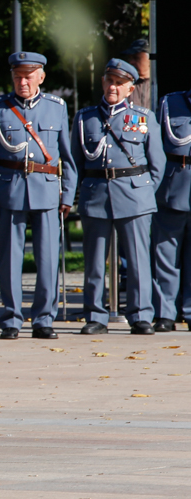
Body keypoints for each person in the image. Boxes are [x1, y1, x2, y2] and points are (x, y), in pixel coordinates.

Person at [0, 51, 77, 340]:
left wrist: (67, 194)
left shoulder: (56, 107)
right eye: (18, 76)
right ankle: (11, 317)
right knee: (9, 260)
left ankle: (44, 318)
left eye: (28, 76)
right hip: (9, 190)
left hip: (46, 190)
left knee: (47, 259)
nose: (22, 81)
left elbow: (66, 157)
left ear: (41, 77)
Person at [71, 58, 165, 336]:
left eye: (120, 83)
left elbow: (157, 165)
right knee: (95, 262)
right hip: (96, 194)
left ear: (131, 88)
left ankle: (140, 315)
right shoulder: (85, 117)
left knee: (138, 261)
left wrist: (144, 193)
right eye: (110, 81)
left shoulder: (144, 117)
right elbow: (76, 163)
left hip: (134, 195)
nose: (113, 87)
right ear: (103, 82)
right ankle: (96, 315)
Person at [152, 82, 191, 331]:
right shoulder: (170, 103)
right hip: (173, 184)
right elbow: (155, 147)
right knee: (165, 254)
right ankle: (165, 312)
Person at [126, 38, 152, 111]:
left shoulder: (156, 86)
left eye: (136, 58)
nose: (131, 62)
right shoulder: (126, 85)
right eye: (130, 58)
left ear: (150, 59)